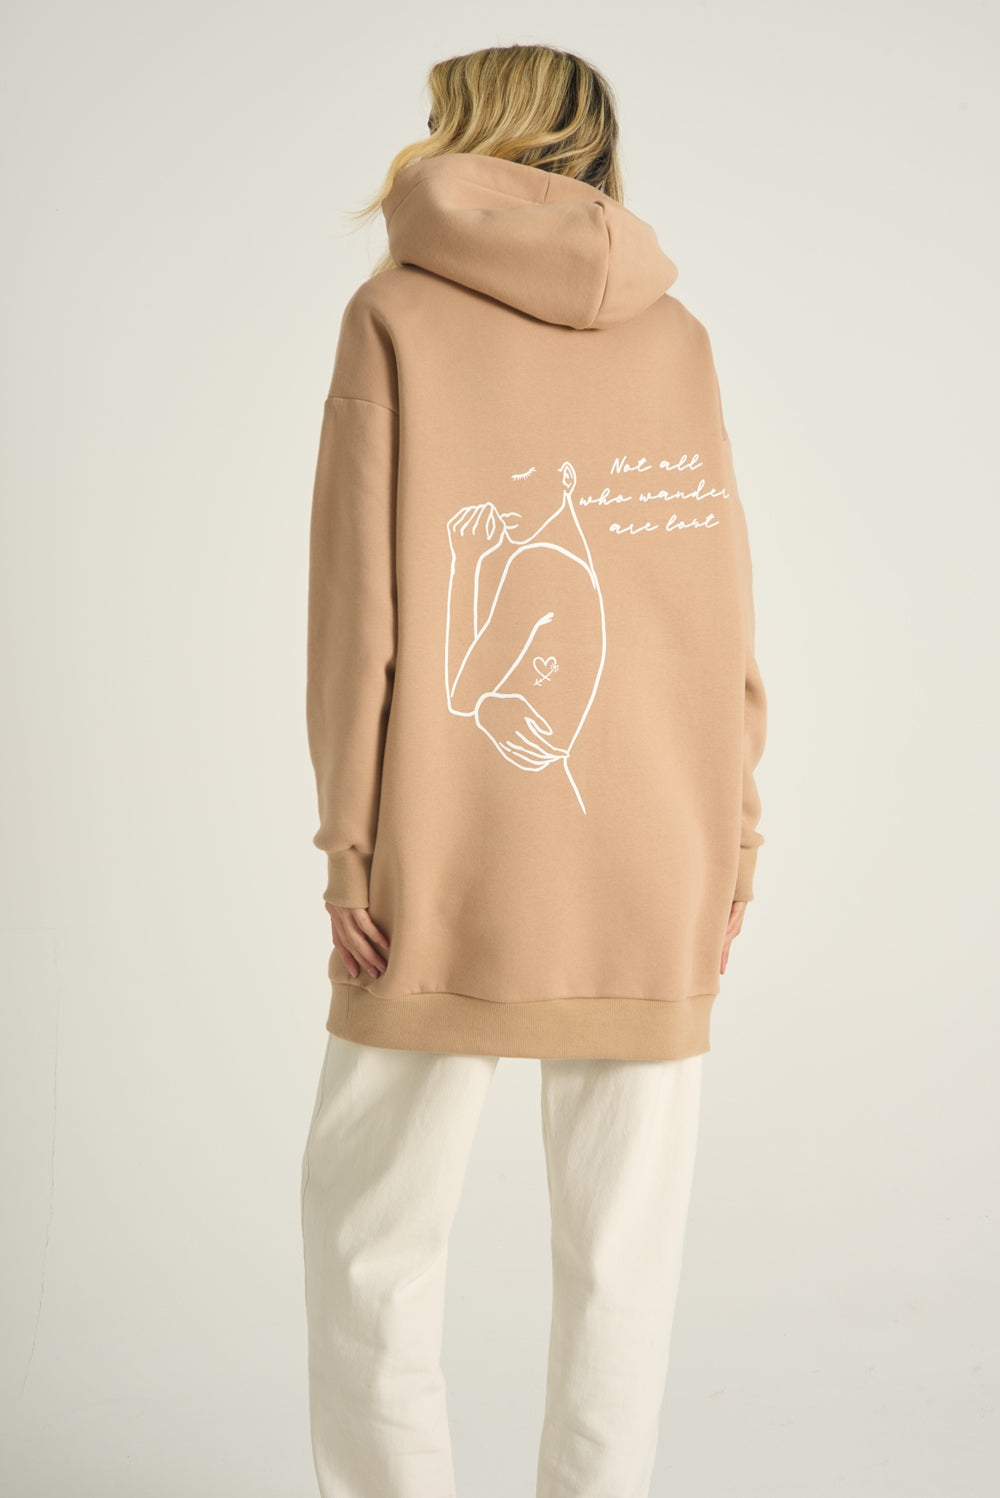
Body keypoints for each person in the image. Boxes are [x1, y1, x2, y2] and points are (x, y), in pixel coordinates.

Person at [300, 42, 767, 1498]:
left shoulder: (393, 314)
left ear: (469, 129)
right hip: (662, 846)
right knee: (624, 1254)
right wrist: (737, 840)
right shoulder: (678, 337)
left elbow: (361, 620)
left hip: (447, 845)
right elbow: (721, 614)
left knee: (373, 1234)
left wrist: (351, 846)